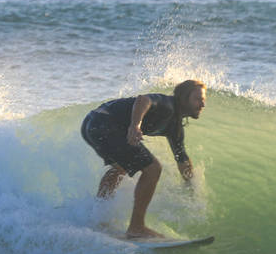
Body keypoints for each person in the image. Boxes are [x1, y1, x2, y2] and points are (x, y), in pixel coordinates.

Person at [80, 80, 206, 239]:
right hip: (105, 124)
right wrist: (135, 125)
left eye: (203, 100)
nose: (202, 104)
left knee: (120, 168)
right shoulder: (167, 104)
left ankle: (99, 218)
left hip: (91, 124)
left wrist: (190, 185)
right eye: (198, 99)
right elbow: (143, 100)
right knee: (153, 169)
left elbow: (182, 159)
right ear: (183, 98)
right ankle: (137, 227)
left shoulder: (175, 128)